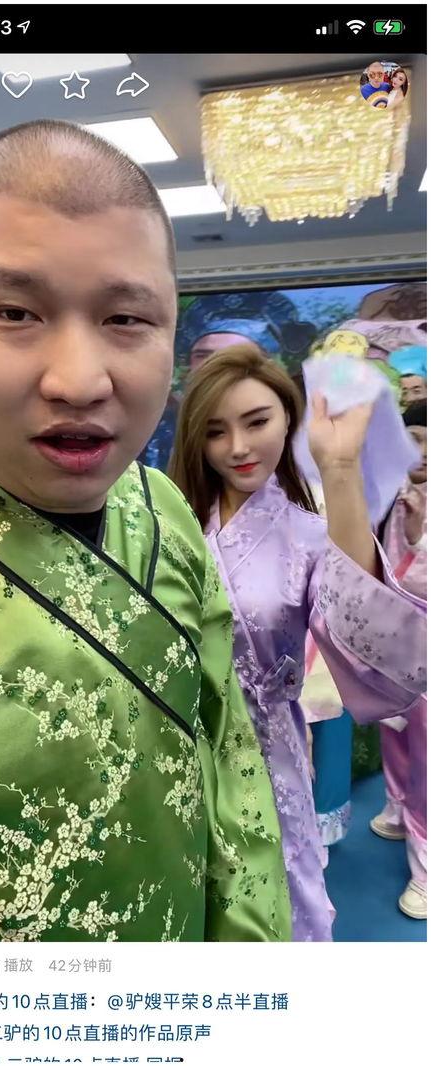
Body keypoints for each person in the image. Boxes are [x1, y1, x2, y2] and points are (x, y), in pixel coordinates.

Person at [0, 119, 293, 943]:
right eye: (14, 311)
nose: (79, 381)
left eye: (127, 319)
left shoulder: (161, 507)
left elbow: (228, 757)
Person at [169, 345, 426, 941]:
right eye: (216, 431)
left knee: (277, 905)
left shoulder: (307, 534)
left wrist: (340, 469)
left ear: (289, 417)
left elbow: (368, 637)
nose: (238, 447)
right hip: (176, 744)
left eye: (257, 421)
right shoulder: (168, 520)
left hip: (265, 747)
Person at [371, 401, 427, 919]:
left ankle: (426, 866)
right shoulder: (393, 492)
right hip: (395, 643)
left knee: (426, 754)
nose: (422, 451)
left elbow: (418, 581)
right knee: (394, 731)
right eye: (414, 438)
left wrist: (416, 535)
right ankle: (395, 805)